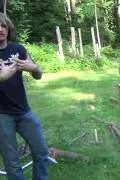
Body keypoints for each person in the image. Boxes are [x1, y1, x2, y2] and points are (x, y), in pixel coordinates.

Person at [0, 13, 49, 180]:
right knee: (12, 162)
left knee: (42, 152)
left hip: (23, 111)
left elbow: (38, 75)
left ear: (8, 29)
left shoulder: (19, 50)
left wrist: (34, 68)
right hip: (2, 115)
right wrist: (2, 77)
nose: (0, 29)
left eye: (3, 26)